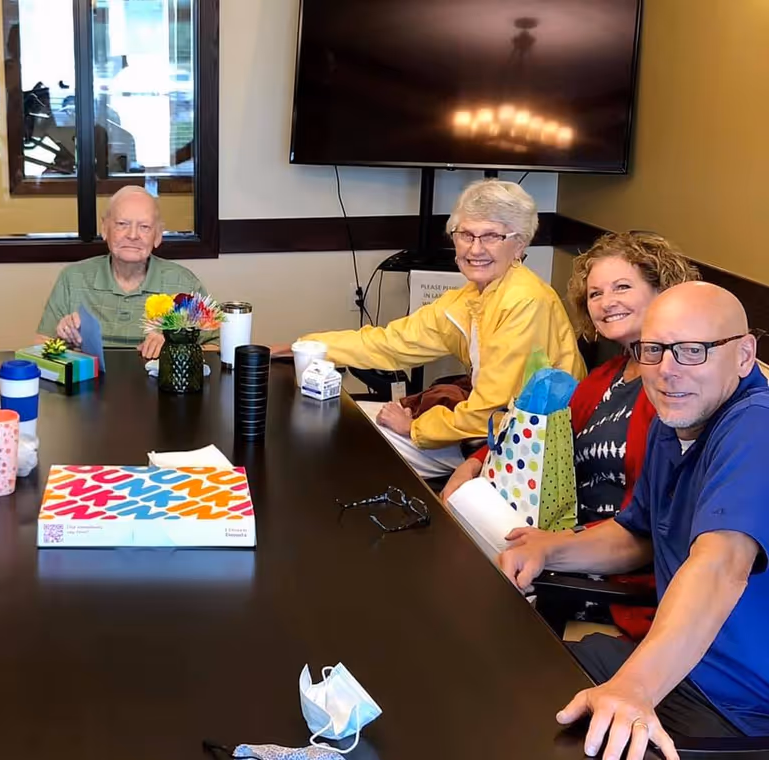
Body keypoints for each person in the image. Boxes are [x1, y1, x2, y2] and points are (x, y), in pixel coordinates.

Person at [498, 282, 769, 760]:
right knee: (515, 677)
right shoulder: (677, 418)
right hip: (672, 665)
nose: (667, 371)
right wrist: (549, 547)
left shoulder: (755, 427)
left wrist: (635, 686)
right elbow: (637, 532)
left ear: (744, 355)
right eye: (654, 349)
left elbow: (722, 564)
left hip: (734, 704)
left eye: (692, 350)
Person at [290, 180, 584, 478]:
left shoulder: (524, 300)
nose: (475, 248)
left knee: (345, 439)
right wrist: (305, 346)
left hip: (523, 452)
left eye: (492, 236)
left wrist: (415, 428)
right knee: (341, 423)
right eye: (466, 234)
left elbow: (490, 411)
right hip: (489, 434)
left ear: (519, 244)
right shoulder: (472, 296)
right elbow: (392, 343)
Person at [443, 232, 699, 520]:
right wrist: (474, 464)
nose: (606, 303)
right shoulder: (605, 377)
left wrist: (554, 546)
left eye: (622, 287)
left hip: (608, 549)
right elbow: (537, 435)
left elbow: (649, 521)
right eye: (595, 293)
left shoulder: (677, 383)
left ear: (662, 291)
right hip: (561, 530)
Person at [37, 186, 210, 360]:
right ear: (104, 228)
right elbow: (41, 346)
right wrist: (63, 339)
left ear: (158, 235)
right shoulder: (72, 278)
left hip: (159, 384)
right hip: (87, 381)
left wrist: (175, 345)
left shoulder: (183, 283)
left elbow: (216, 347)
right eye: (122, 224)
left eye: (144, 227)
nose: (133, 235)